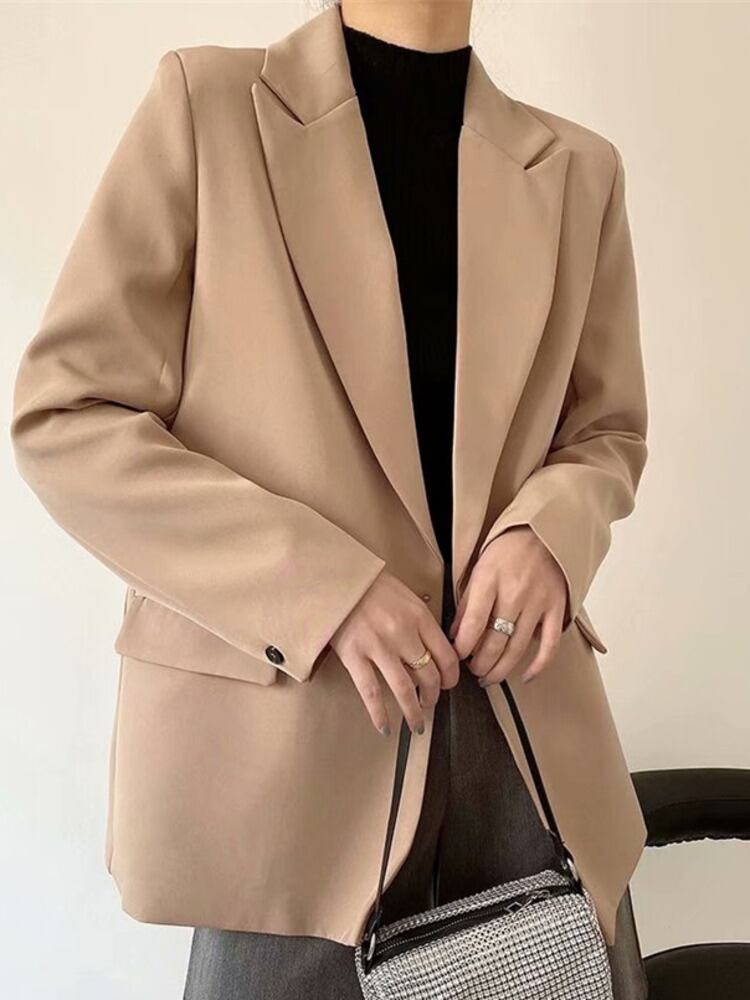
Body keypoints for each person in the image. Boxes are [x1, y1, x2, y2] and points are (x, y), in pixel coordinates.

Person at [10, 1, 650, 997]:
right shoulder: (208, 109)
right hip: (287, 760)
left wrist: (552, 533)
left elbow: (607, 430)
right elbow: (69, 415)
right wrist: (320, 588)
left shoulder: (579, 171)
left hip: (521, 751)